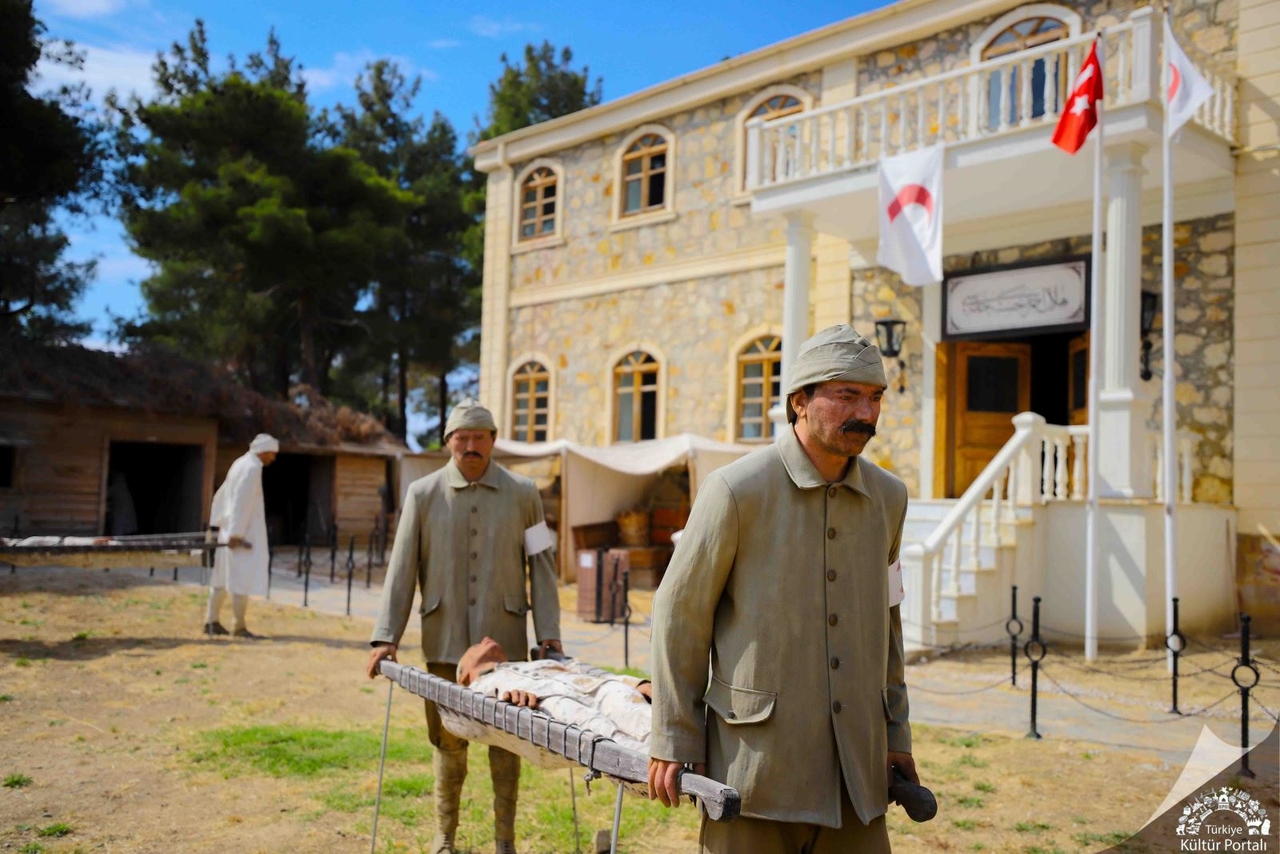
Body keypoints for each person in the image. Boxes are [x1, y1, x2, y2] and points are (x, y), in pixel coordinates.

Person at [647, 324, 919, 854]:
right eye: (847, 396)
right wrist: (675, 736)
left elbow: (887, 623)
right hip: (756, 773)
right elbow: (680, 613)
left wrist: (897, 733)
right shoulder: (735, 489)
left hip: (857, 779)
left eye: (875, 397)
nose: (866, 413)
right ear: (799, 401)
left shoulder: (890, 497)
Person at [365, 400, 561, 854]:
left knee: (506, 744)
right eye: (461, 437)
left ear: (492, 439)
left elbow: (542, 565)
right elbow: (401, 568)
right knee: (447, 741)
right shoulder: (422, 494)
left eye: (479, 437)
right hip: (444, 639)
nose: (470, 446)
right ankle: (444, 838)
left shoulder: (524, 493)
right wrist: (385, 637)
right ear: (449, 441)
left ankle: (504, 841)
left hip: (506, 645)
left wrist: (548, 633)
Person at [452, 637, 652, 754]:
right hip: (547, 702)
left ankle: (676, 754)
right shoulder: (478, 688)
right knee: (604, 733)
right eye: (476, 646)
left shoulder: (526, 665)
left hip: (594, 688)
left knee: (642, 715)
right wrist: (507, 702)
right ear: (464, 676)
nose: (485, 639)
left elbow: (582, 669)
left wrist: (636, 683)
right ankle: (672, 774)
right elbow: (481, 713)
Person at [204, 433, 277, 639]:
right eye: (272, 453)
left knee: (221, 578)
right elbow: (240, 502)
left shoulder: (239, 463)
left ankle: (211, 620)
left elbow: (222, 494)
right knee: (239, 579)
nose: (273, 458)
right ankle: (239, 626)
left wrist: (217, 523)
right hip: (239, 533)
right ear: (264, 451)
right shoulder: (252, 468)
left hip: (228, 529)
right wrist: (236, 533)